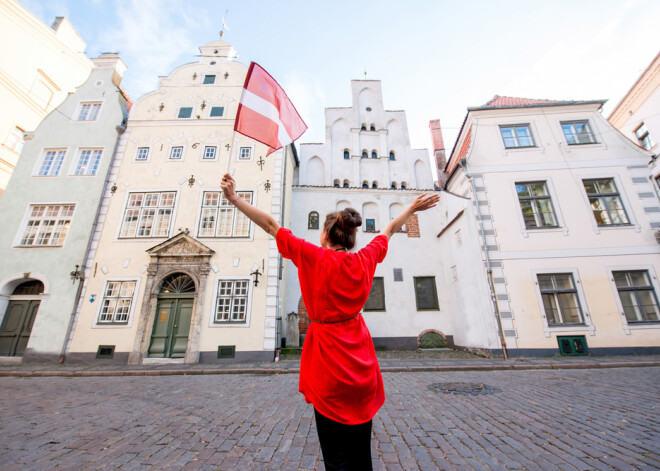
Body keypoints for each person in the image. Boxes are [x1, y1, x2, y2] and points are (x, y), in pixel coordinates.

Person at [220, 173, 439, 470]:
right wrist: (411, 208)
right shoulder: (364, 259)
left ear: (325, 235)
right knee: (362, 454)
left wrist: (234, 198)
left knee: (336, 457)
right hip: (360, 364)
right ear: (350, 237)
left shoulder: (312, 257)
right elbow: (387, 230)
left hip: (328, 366)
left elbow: (272, 226)